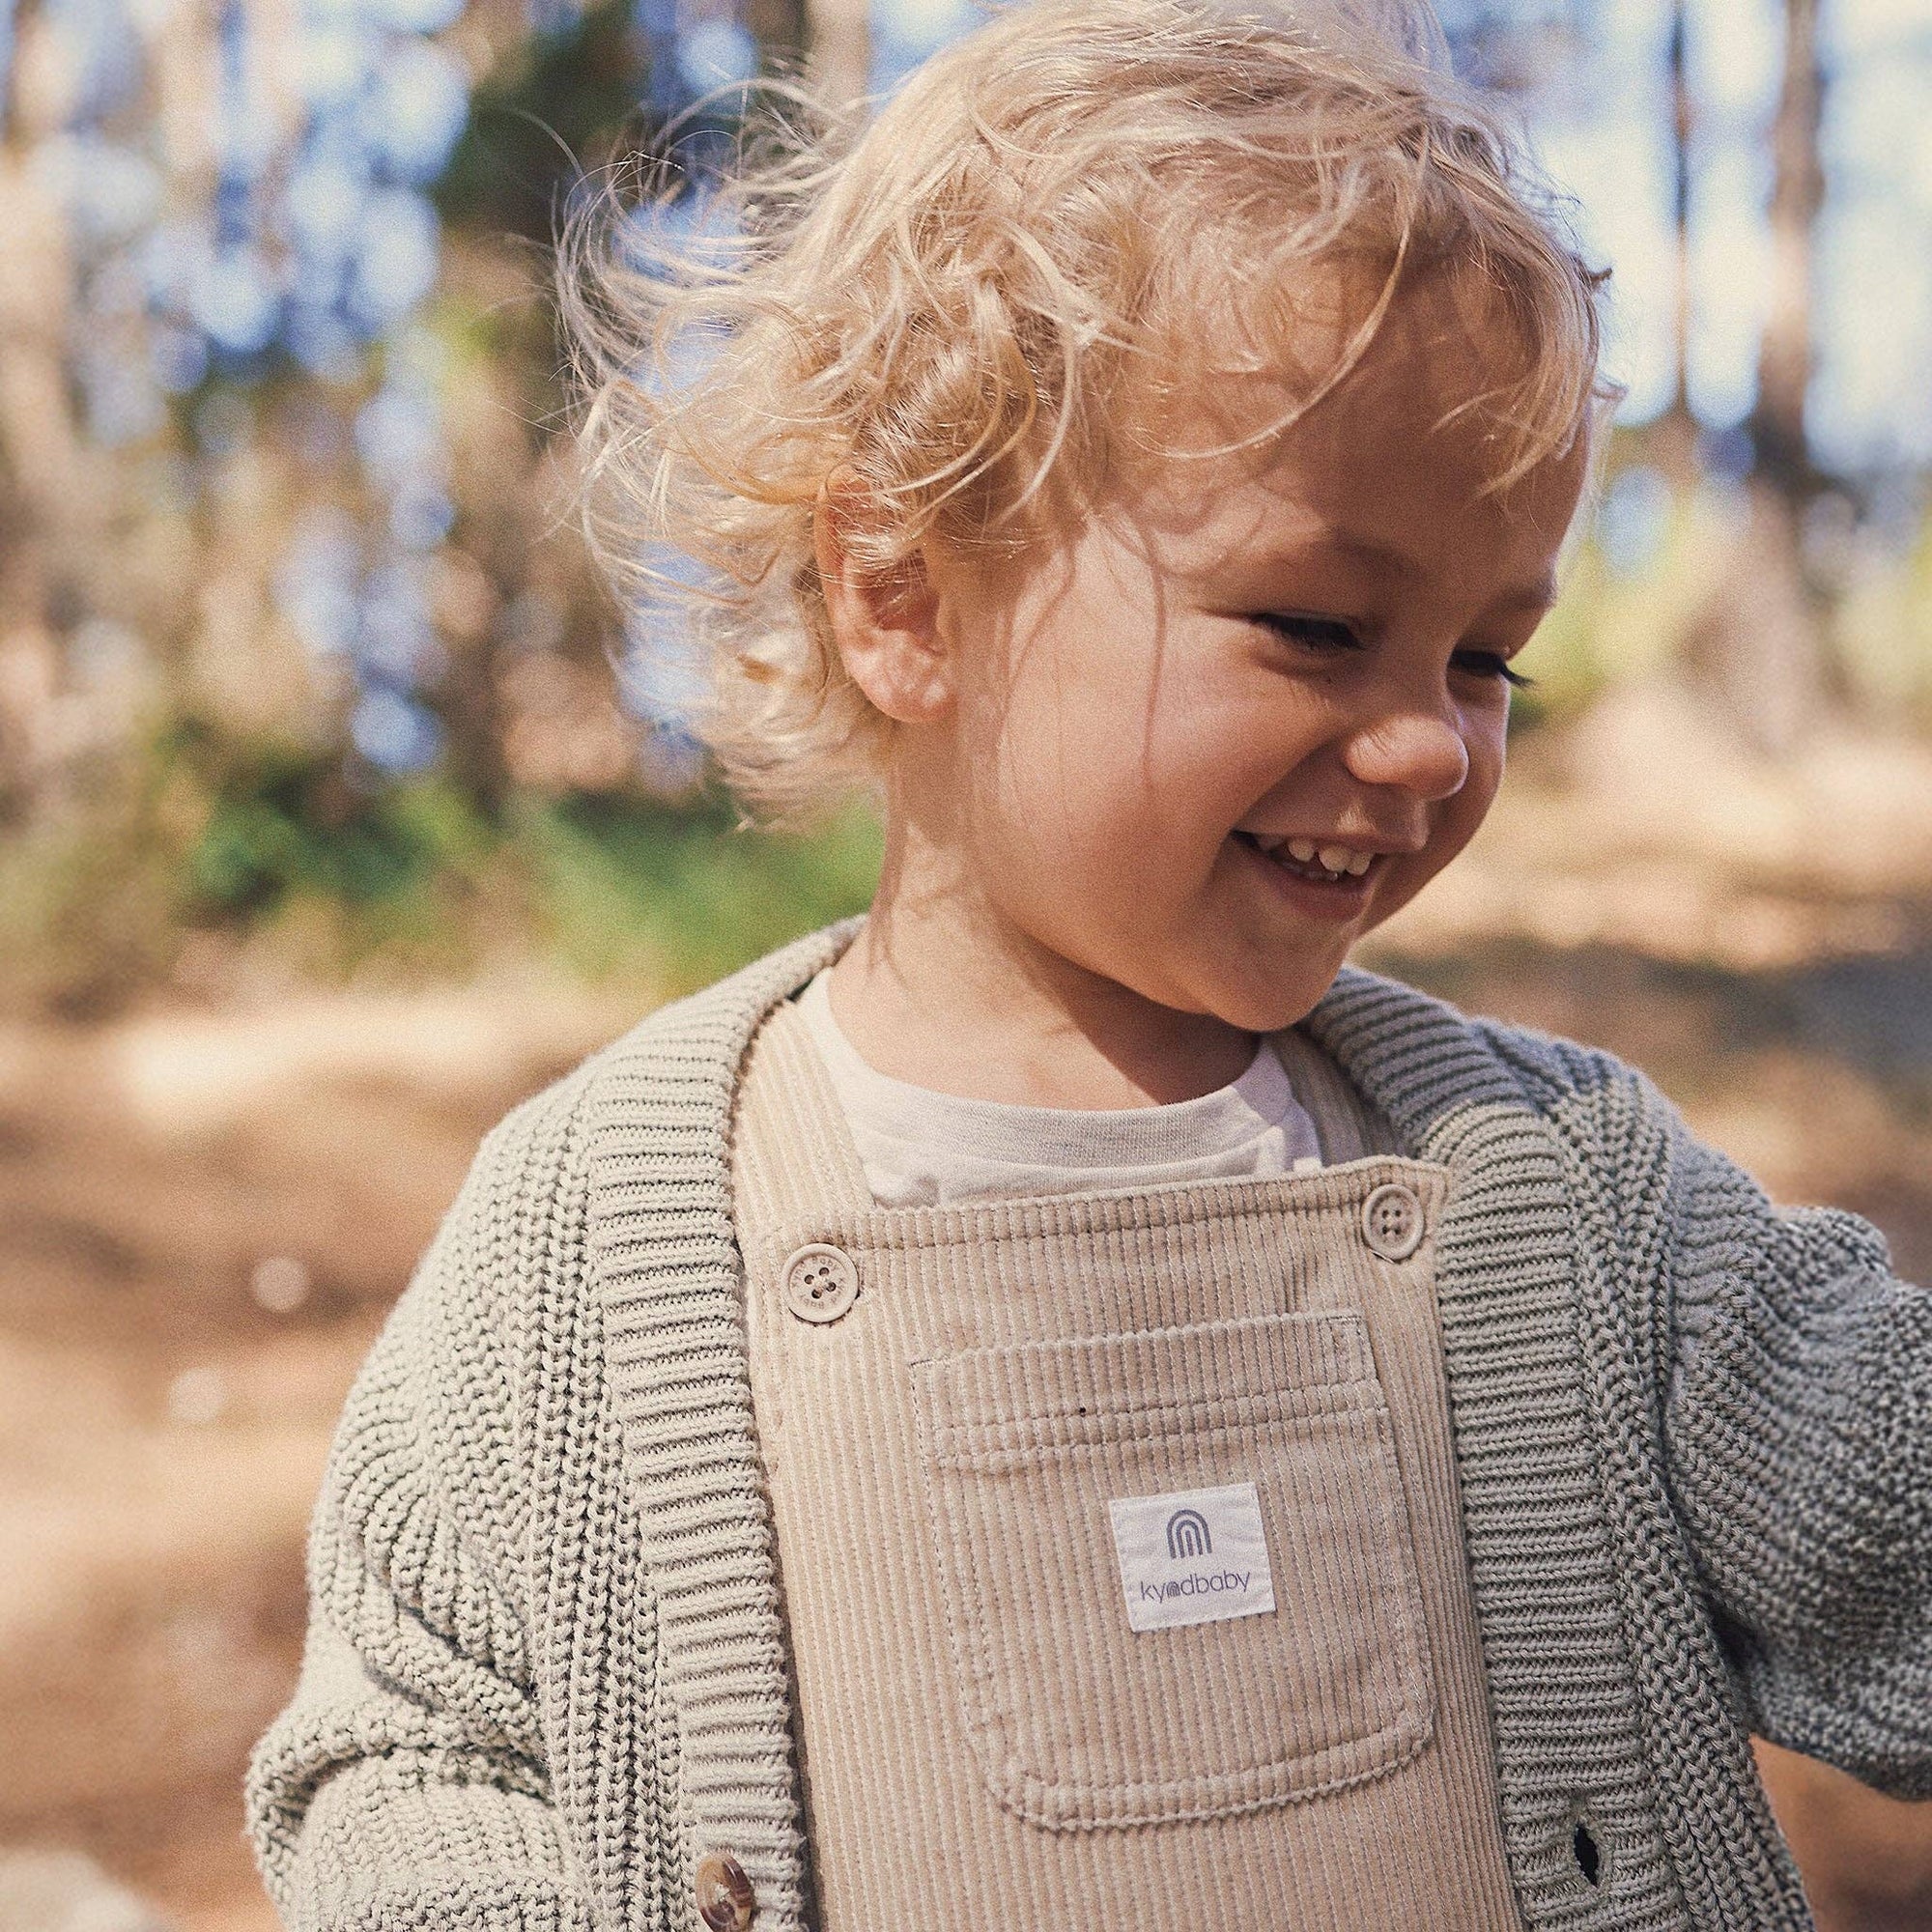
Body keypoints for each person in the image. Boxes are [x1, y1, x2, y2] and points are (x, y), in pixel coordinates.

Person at [244, 2, 1931, 1927]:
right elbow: (418, 1752)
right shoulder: (600, 1233)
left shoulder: (1557, 1198)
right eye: (1315, 626)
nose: (1428, 745)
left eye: (1486, 658)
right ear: (901, 598)